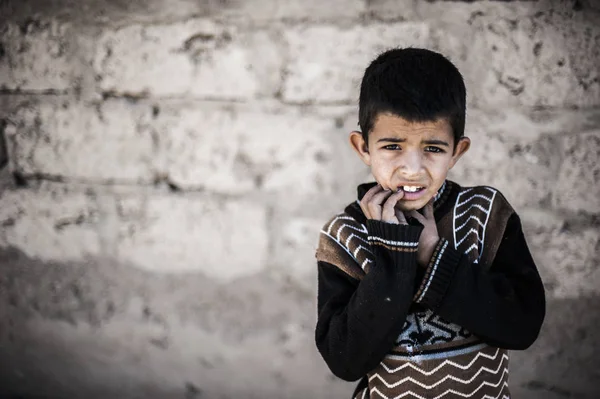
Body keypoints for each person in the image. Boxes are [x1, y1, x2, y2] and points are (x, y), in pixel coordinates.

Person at [314, 48, 546, 399]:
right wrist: (395, 255)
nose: (412, 168)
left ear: (457, 151)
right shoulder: (345, 237)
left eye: (433, 148)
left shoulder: (484, 215)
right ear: (363, 148)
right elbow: (345, 360)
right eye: (392, 145)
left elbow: (522, 326)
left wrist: (435, 256)